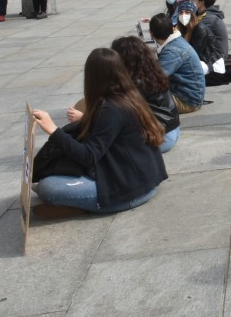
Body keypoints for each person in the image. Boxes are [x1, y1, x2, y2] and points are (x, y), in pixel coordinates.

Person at [30, 48, 168, 217]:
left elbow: (89, 156)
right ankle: (79, 203)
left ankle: (82, 206)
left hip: (131, 191)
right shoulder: (128, 96)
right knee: (48, 180)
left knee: (47, 188)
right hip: (143, 180)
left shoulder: (113, 109)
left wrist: (53, 130)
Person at [149, 14, 206, 113]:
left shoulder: (172, 51)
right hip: (188, 94)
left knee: (140, 103)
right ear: (172, 28)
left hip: (188, 100)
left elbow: (155, 78)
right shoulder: (176, 42)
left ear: (151, 34)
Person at [173, 0, 226, 86]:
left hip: (211, 63)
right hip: (199, 60)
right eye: (181, 13)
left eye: (187, 12)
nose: (183, 15)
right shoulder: (184, 29)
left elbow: (194, 53)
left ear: (193, 14)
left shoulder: (200, 29)